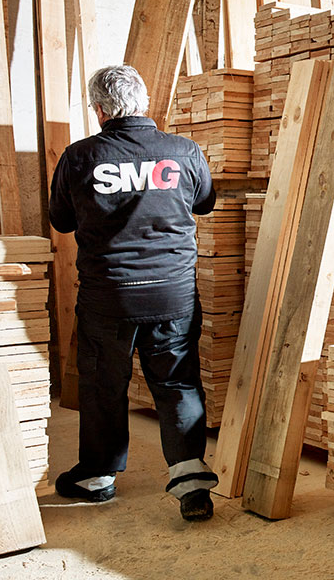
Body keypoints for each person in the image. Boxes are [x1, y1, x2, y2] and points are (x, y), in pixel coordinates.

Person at [49, 65, 219, 521]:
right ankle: (191, 482)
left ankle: (96, 478)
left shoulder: (80, 156)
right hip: (173, 294)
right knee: (177, 382)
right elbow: (205, 201)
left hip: (109, 296)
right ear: (143, 103)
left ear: (100, 110)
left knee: (104, 383)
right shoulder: (182, 151)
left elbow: (61, 221)